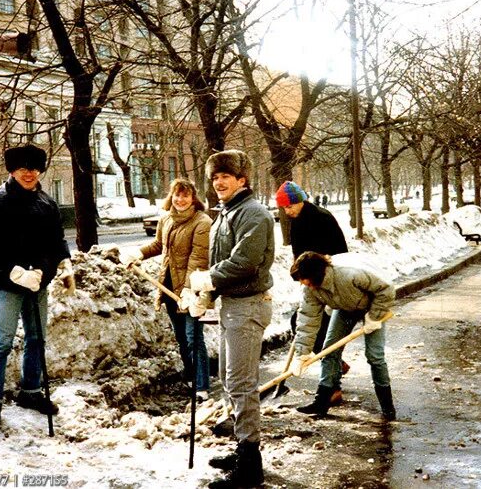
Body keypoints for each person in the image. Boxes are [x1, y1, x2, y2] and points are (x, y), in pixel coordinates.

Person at [188, 149, 274, 489]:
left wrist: (206, 280)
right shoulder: (225, 214)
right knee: (227, 377)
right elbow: (218, 262)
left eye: (225, 176)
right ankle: (242, 446)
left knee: (241, 383)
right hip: (231, 305)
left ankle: (251, 463)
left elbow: (245, 263)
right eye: (214, 177)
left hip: (248, 306)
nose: (218, 182)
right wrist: (204, 296)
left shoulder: (254, 213)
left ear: (242, 179)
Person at [0, 144, 75, 431]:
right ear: (12, 171)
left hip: (38, 282)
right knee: (2, 342)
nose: (29, 174)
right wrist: (15, 273)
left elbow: (57, 240)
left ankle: (31, 392)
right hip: (8, 284)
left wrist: (60, 263)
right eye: (23, 169)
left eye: (33, 169)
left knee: (37, 338)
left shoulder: (46, 202)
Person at [125, 178, 212, 402]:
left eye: (185, 195)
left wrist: (189, 290)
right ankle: (192, 378)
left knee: (194, 337)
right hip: (169, 286)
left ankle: (202, 387)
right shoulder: (166, 219)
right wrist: (139, 253)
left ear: (193, 198)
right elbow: (158, 246)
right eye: (177, 195)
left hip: (192, 289)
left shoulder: (202, 222)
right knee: (181, 337)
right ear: (171, 196)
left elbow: (198, 259)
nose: (180, 199)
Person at [288, 252, 397, 421]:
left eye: (305, 280)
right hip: (344, 308)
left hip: (374, 305)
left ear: (316, 273)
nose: (305, 285)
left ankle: (387, 407)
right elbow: (308, 319)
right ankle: (321, 402)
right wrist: (302, 353)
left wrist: (374, 318)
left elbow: (386, 289)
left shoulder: (349, 274)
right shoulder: (310, 289)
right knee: (329, 351)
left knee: (375, 355)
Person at [276, 180, 349, 405]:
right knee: (299, 323)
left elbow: (340, 253)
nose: (286, 212)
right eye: (284, 208)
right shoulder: (296, 222)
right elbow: (299, 254)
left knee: (326, 334)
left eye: (289, 206)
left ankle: (333, 389)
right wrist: (300, 276)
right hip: (311, 284)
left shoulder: (322, 218)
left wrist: (327, 280)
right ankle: (337, 365)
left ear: (299, 201)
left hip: (329, 283)